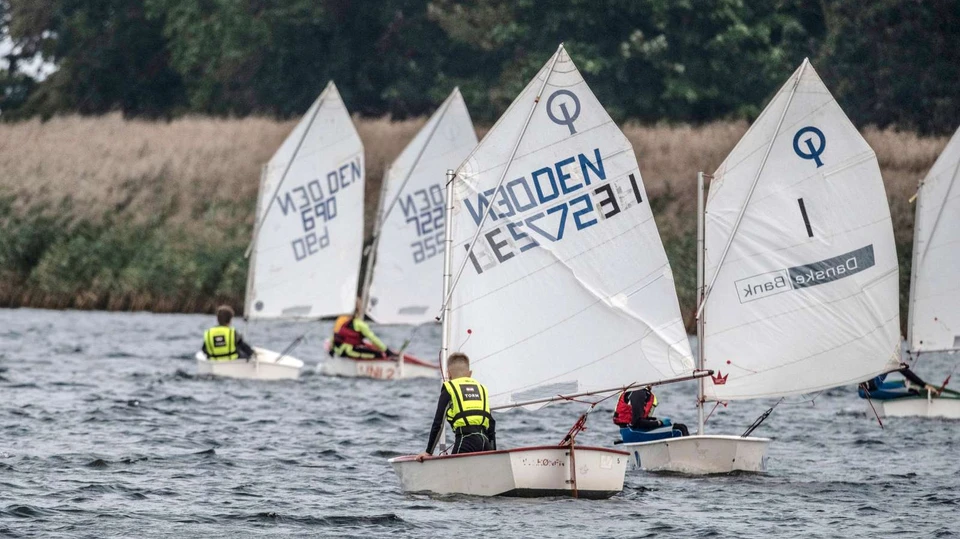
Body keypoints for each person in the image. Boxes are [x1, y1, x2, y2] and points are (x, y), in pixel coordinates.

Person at [418, 353, 496, 460]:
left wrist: (428, 452)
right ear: (470, 374)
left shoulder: (449, 388)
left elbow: (438, 423)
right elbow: (491, 423)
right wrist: (494, 452)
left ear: (449, 374)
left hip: (465, 440)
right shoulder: (481, 389)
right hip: (485, 442)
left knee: (451, 470)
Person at [331, 298, 396, 359]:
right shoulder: (360, 324)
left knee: (368, 348)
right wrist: (386, 350)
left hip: (338, 349)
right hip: (348, 351)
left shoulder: (341, 320)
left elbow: (334, 335)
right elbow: (372, 338)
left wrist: (331, 349)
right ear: (359, 309)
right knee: (380, 354)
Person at [613, 386, 689, 436]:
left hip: (632, 430)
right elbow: (637, 422)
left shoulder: (641, 392)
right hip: (632, 432)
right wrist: (659, 423)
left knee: (680, 427)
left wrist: (655, 421)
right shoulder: (638, 392)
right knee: (680, 429)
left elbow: (639, 419)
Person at [860, 363, 942, 398]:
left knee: (904, 386)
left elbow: (903, 369)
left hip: (876, 387)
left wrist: (924, 385)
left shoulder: (886, 357)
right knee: (914, 391)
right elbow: (903, 370)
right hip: (870, 390)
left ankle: (909, 388)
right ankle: (912, 390)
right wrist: (923, 385)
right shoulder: (886, 357)